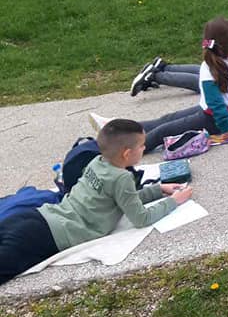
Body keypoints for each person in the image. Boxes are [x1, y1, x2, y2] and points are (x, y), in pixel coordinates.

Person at [0, 119, 193, 285]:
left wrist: (158, 190)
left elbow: (124, 200)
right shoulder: (122, 178)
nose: (144, 148)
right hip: (49, 235)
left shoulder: (97, 162)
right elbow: (141, 218)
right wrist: (173, 202)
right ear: (127, 153)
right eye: (142, 146)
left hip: (36, 216)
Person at [93, 17, 228, 152]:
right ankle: (115, 128)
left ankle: (118, 152)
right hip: (217, 116)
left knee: (162, 131)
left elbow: (215, 102)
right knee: (167, 119)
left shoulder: (209, 67)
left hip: (217, 121)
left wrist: (226, 129)